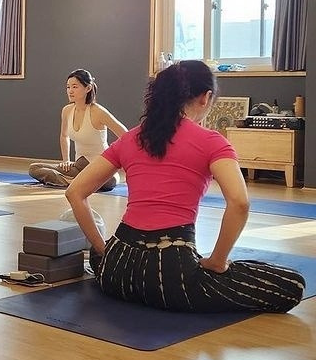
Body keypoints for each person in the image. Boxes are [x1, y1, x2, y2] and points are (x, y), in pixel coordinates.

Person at [66, 60, 305, 312]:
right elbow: (239, 202)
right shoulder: (212, 142)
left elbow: (75, 192)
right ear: (206, 97)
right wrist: (217, 261)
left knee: (102, 255)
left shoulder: (130, 138)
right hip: (172, 278)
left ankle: (108, 257)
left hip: (117, 274)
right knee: (292, 285)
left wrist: (102, 249)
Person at [29, 69, 127, 190]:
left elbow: (125, 135)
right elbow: (64, 136)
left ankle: (72, 181)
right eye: (68, 87)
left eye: (75, 87)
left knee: (110, 181)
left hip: (100, 167)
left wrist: (118, 161)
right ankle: (76, 182)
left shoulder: (98, 112)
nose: (70, 91)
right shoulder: (67, 110)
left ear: (88, 88)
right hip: (79, 166)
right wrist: (66, 160)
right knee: (34, 168)